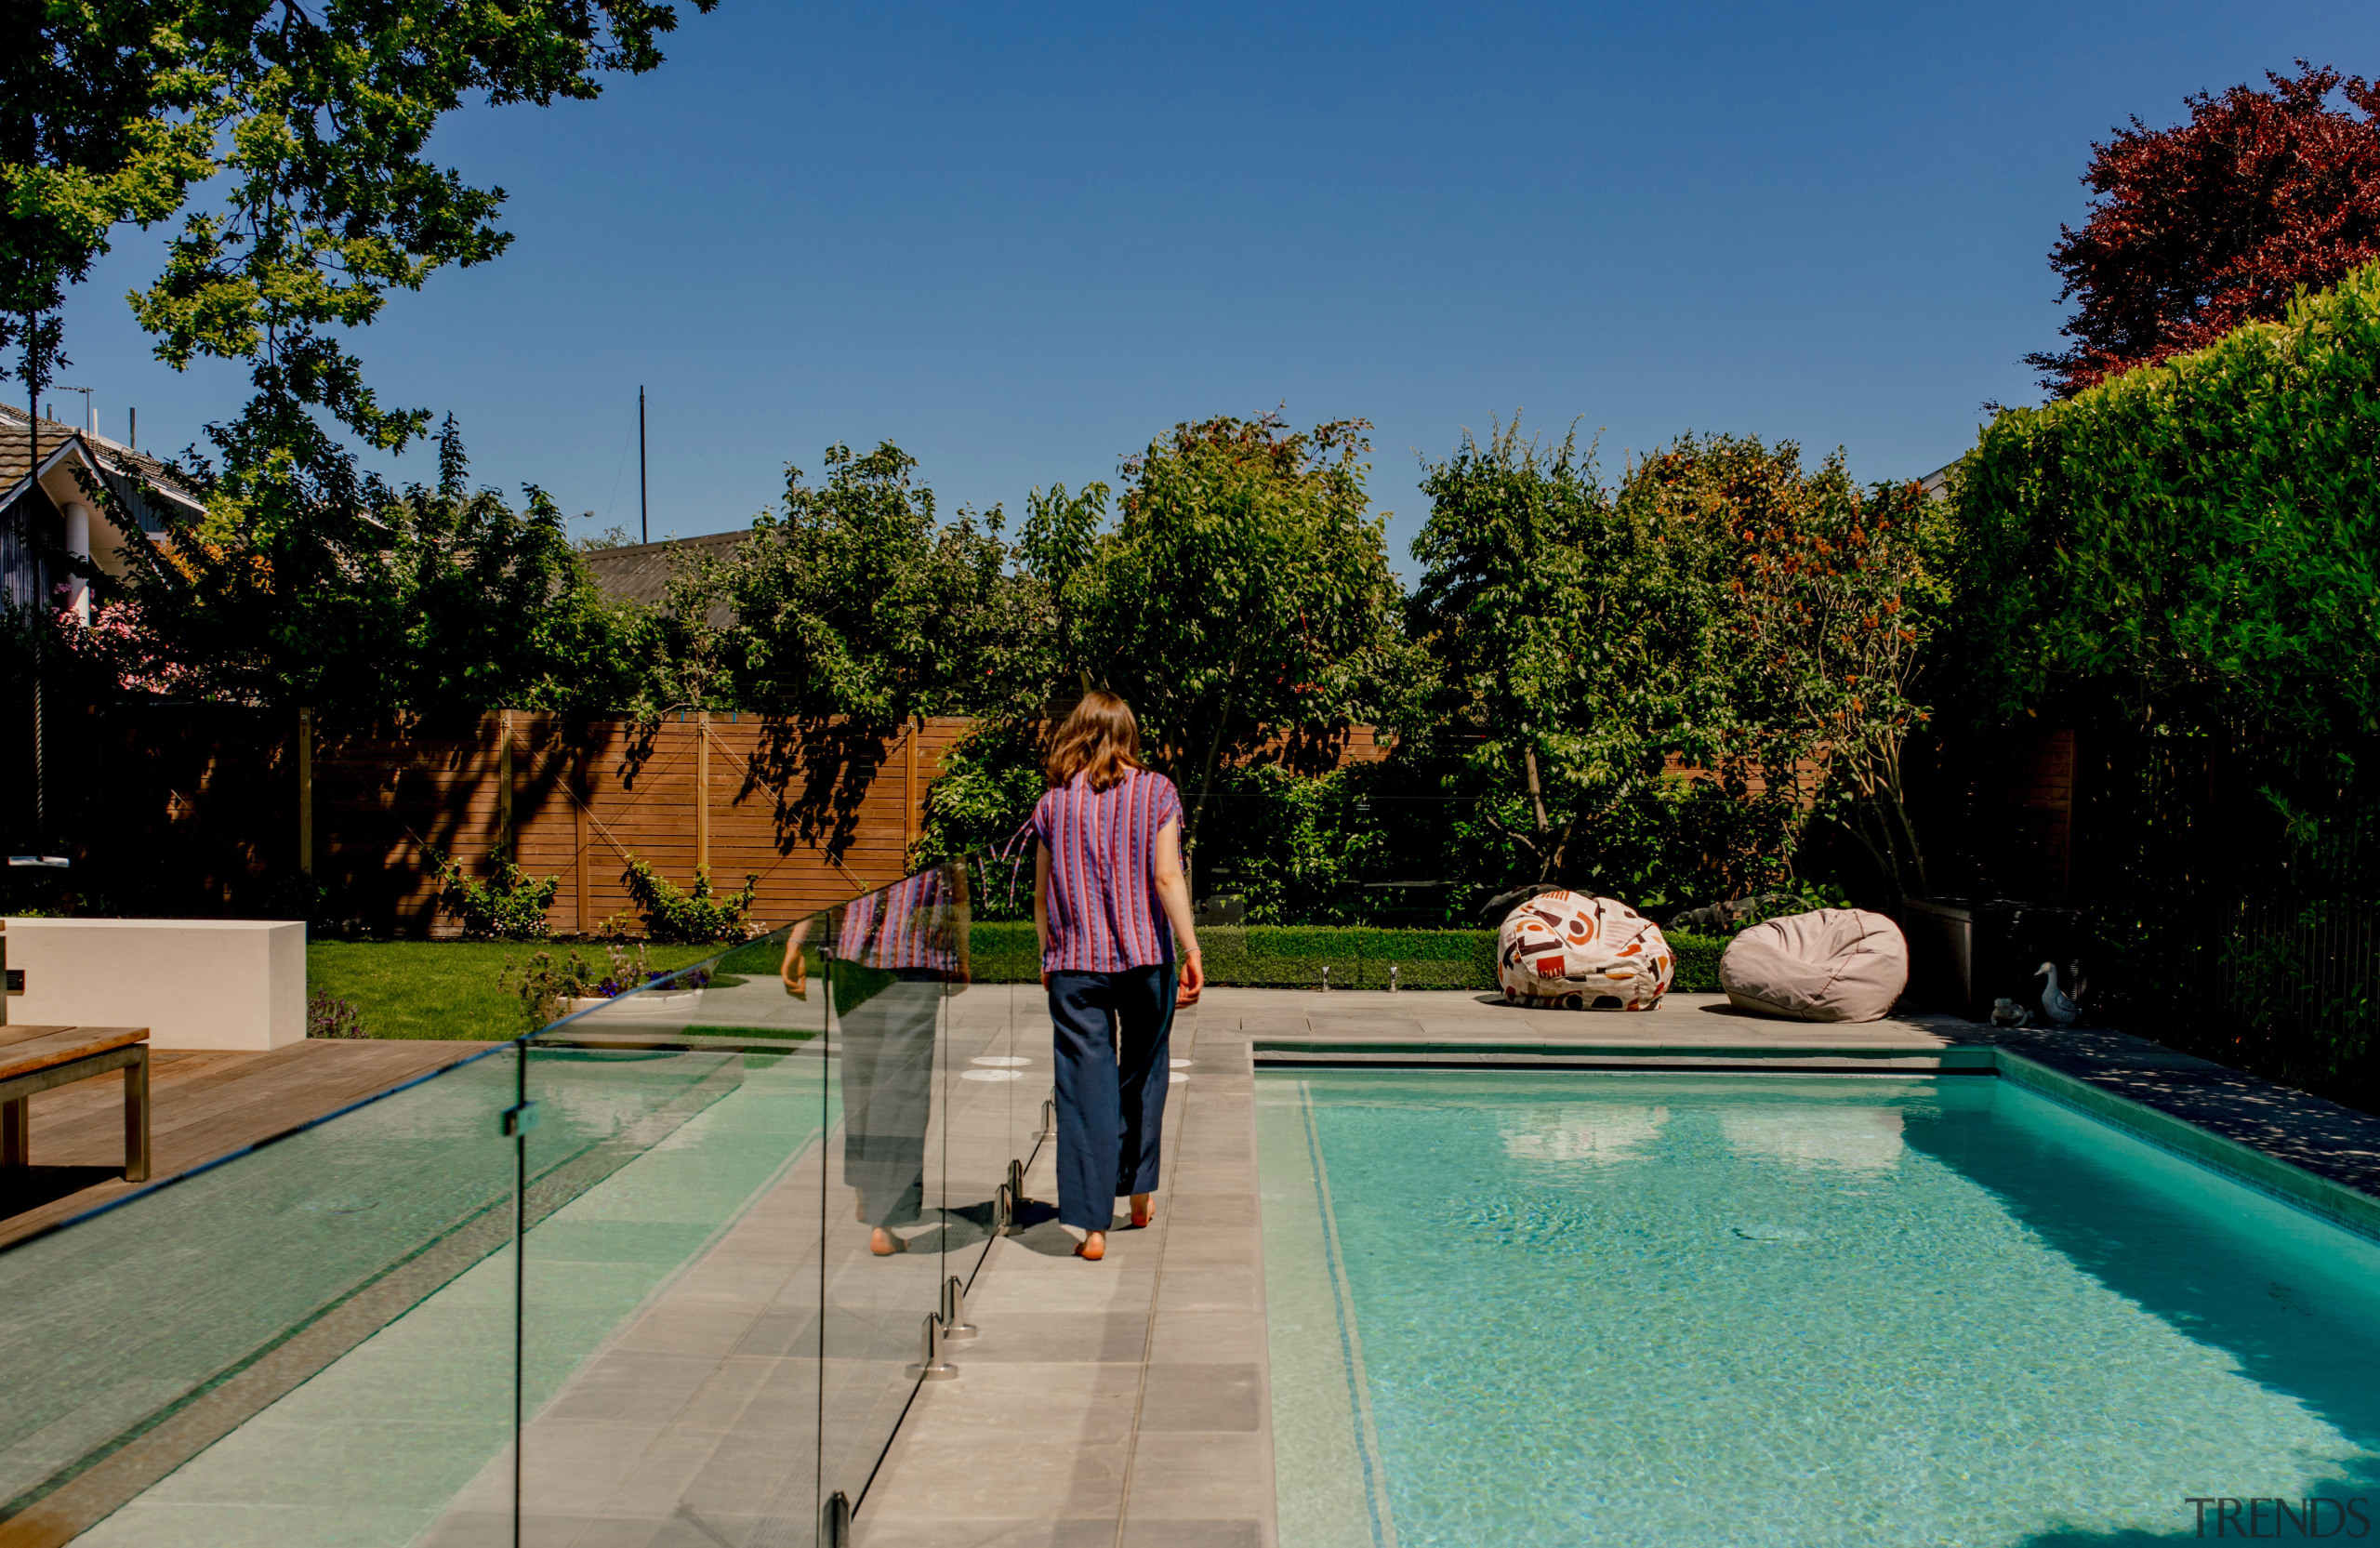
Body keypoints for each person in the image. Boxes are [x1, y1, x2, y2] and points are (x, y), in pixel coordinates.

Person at [1032, 690, 1203, 1262]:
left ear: (1076, 731)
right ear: (1128, 733)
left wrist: (1046, 956)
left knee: (1085, 1091)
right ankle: (1137, 1195)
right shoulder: (1158, 792)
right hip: (1144, 961)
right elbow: (1166, 878)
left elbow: (1040, 897)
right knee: (1145, 1075)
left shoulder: (1053, 803)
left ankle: (1091, 1227)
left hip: (1073, 965)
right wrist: (1191, 947)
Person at [781, 862, 970, 1256]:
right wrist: (961, 956)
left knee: (861, 1077)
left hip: (851, 958)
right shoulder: (934, 817)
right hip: (912, 959)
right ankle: (885, 1220)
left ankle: (868, 1191)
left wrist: (795, 944)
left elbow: (824, 880)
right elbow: (958, 892)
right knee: (900, 1087)